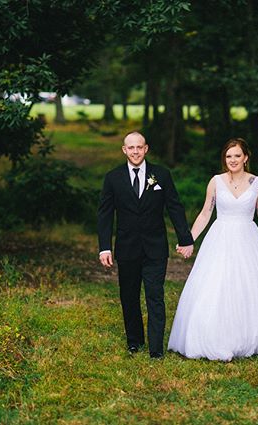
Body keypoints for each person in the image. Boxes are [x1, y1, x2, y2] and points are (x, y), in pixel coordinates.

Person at [168, 138, 258, 361]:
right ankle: (214, 337)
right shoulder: (216, 181)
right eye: (229, 156)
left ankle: (253, 337)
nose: (233, 160)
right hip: (220, 238)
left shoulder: (257, 183)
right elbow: (206, 213)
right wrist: (189, 239)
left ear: (245, 157)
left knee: (250, 287)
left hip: (248, 238)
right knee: (216, 285)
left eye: (237, 155)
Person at [97, 131, 194, 359]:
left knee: (155, 295)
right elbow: (105, 215)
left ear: (146, 149)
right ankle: (134, 341)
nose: (135, 152)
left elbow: (174, 207)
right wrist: (104, 246)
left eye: (139, 147)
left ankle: (156, 348)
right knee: (129, 296)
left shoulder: (161, 174)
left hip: (155, 248)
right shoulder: (113, 178)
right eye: (131, 148)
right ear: (124, 150)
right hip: (127, 247)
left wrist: (185, 238)